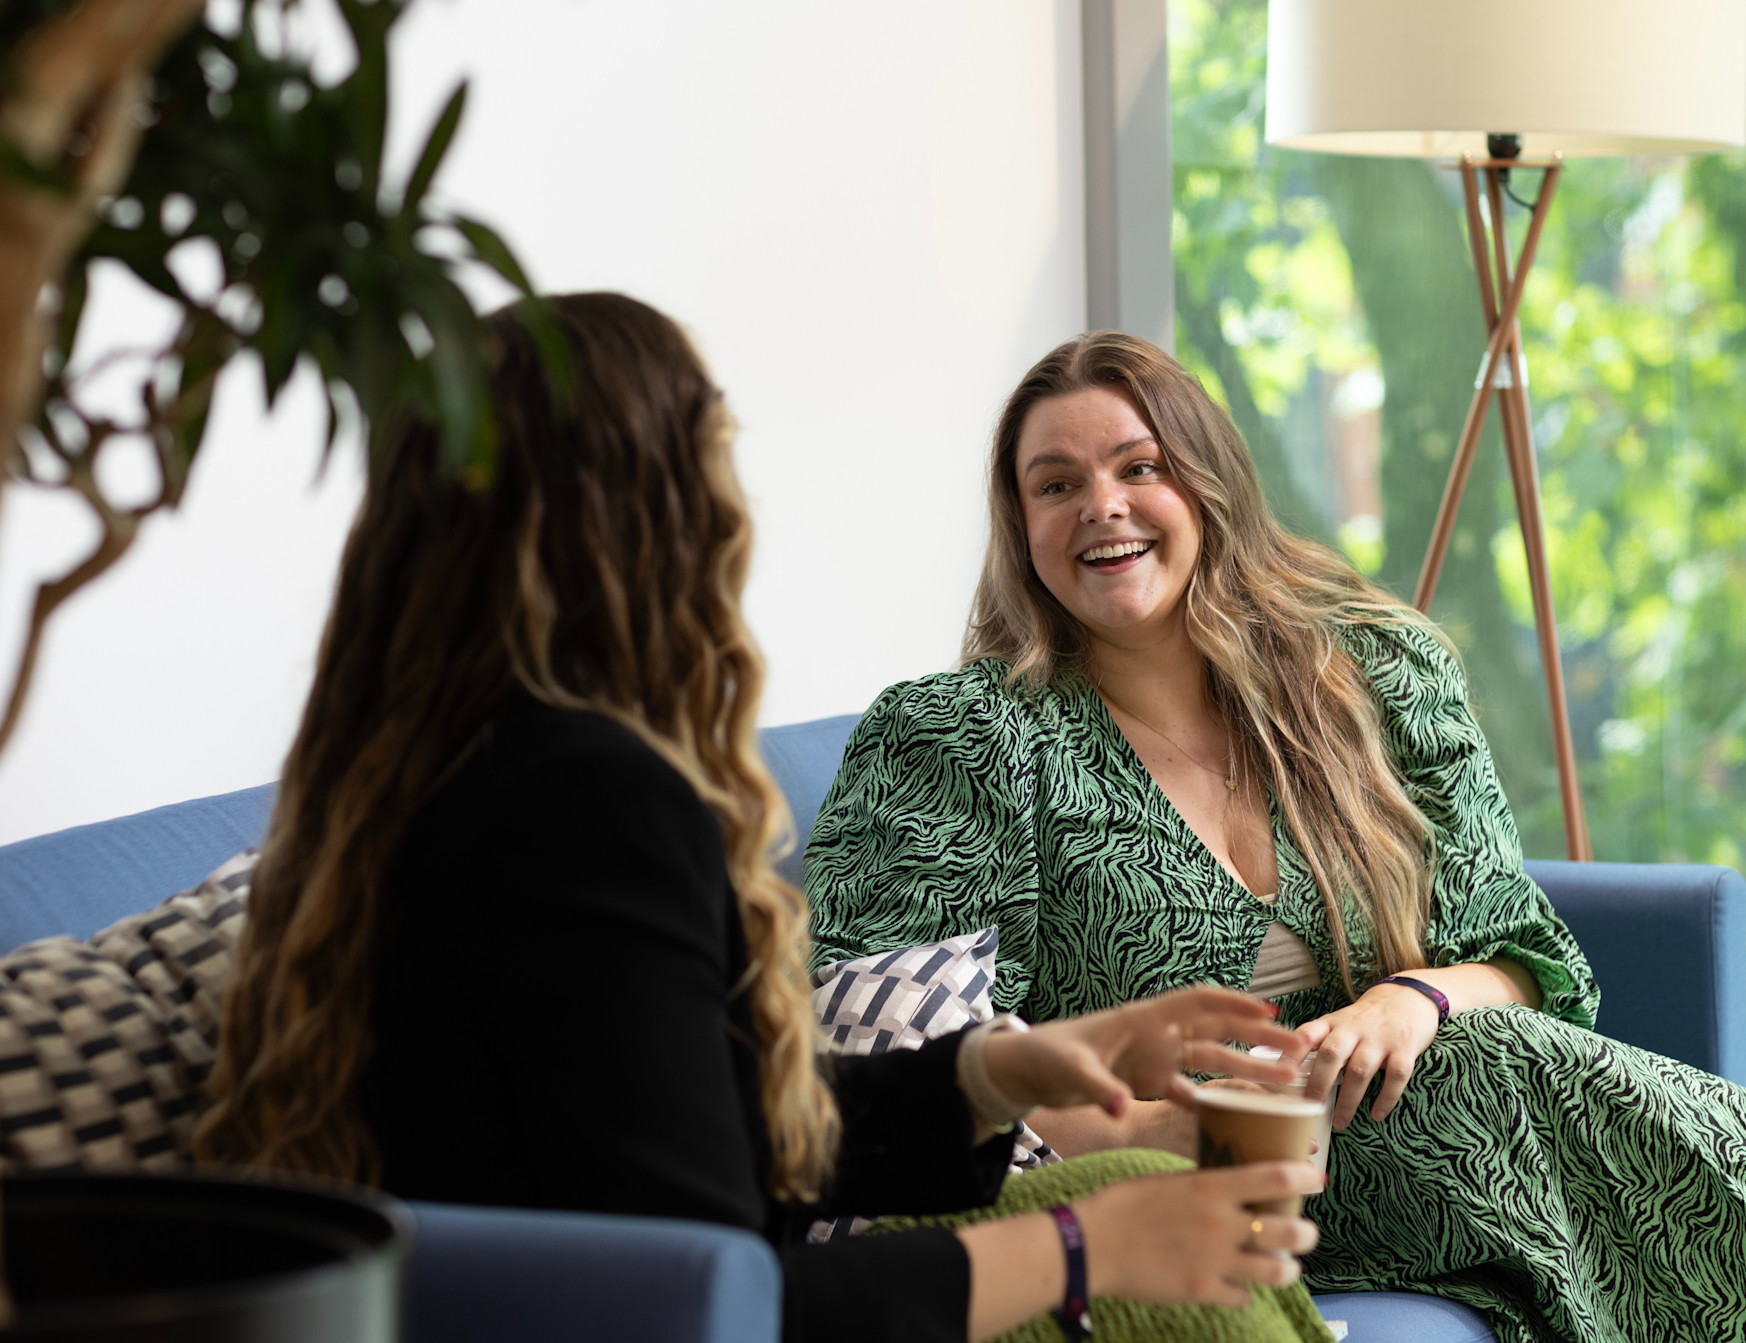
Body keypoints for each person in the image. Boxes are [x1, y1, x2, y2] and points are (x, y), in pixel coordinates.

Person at [804, 330, 1746, 1342]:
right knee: (1506, 1081)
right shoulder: (957, 738)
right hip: (1190, 1169)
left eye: (1137, 465)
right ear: (1020, 524)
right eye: (1053, 483)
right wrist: (1192, 1119)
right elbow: (909, 1088)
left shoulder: (1371, 669)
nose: (1101, 506)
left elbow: (1523, 956)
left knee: (1489, 1058)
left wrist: (1412, 1000)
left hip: (1425, 1105)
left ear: (1207, 485)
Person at [192, 295, 1329, 1343]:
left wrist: (1004, 1066)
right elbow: (704, 1293)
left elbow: (689, 1136)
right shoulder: (591, 802)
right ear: (638, 512)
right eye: (713, 453)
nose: (735, 503)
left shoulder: (422, 767)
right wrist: (1080, 1249)